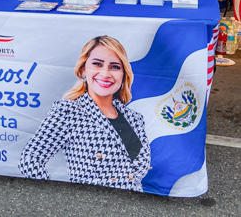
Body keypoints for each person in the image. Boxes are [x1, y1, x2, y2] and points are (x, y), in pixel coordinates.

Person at [19, 36, 151, 192]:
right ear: (83, 69)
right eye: (97, 64)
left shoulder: (134, 118)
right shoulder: (69, 112)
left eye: (115, 67)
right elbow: (30, 160)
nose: (105, 73)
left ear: (123, 74)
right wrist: (55, 198)